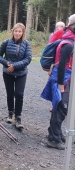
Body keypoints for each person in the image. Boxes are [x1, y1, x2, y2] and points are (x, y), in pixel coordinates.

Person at [43, 21, 75, 150]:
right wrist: (61, 85)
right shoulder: (68, 44)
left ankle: (55, 132)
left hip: (65, 78)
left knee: (60, 107)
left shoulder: (69, 40)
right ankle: (53, 139)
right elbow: (61, 66)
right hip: (62, 79)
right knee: (61, 108)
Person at [0, 23, 32, 130]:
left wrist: (15, 66)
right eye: (16, 31)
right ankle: (10, 113)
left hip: (21, 73)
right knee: (10, 93)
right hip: (8, 72)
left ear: (23, 33)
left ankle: (18, 117)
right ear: (13, 31)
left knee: (19, 94)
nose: (17, 33)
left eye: (20, 31)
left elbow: (28, 59)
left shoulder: (26, 44)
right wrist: (7, 63)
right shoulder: (6, 42)